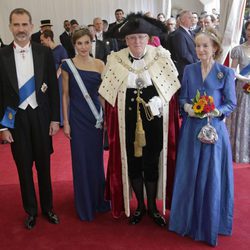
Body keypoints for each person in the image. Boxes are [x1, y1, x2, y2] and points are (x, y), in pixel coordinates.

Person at [99, 13, 180, 226]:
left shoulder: (161, 56)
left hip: (154, 122)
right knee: (133, 164)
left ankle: (152, 207)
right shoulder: (115, 59)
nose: (137, 42)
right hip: (126, 123)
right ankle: (140, 209)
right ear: (125, 40)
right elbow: (108, 95)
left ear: (148, 38)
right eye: (132, 38)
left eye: (141, 37)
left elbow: (171, 92)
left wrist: (160, 102)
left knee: (151, 163)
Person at [169, 28, 236, 246]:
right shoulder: (188, 70)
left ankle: (209, 222)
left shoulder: (225, 73)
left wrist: (216, 111)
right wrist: (189, 108)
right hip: (191, 131)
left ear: (215, 48)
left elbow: (230, 103)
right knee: (189, 174)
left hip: (214, 132)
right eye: (197, 45)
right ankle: (185, 221)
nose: (200, 50)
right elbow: (182, 99)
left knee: (212, 176)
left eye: (205, 46)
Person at [0, 8, 60, 229]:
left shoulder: (44, 53)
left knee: (44, 166)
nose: (21, 29)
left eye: (25, 24)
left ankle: (48, 208)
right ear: (10, 27)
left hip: (41, 117)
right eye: (16, 25)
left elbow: (53, 89)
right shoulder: (2, 55)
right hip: (15, 120)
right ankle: (31, 211)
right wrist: (1, 128)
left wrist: (55, 119)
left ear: (32, 27)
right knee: (23, 168)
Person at [61, 28, 110, 221]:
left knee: (95, 160)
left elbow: (102, 94)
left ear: (92, 43)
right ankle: (85, 204)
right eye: (79, 43)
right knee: (81, 161)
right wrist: (66, 122)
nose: (83, 47)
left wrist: (106, 119)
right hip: (77, 119)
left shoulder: (99, 64)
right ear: (74, 45)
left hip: (95, 120)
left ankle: (98, 199)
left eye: (86, 43)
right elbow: (65, 95)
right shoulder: (67, 66)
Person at [226, 20, 250, 163]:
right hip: (243, 89)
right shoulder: (238, 49)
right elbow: (233, 71)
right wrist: (245, 79)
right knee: (243, 119)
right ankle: (241, 152)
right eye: (248, 29)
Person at [40, 29, 68, 126]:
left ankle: (61, 120)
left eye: (42, 40)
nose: (41, 42)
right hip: (48, 76)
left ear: (48, 39)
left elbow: (64, 63)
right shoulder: (45, 50)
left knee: (59, 96)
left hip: (59, 77)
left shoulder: (60, 48)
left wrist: (56, 74)